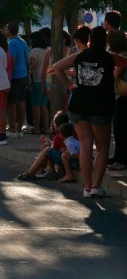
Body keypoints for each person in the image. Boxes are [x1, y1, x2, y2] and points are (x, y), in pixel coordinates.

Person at [53, 26, 127, 197]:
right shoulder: (109, 57)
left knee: (86, 145)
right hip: (100, 107)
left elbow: (57, 67)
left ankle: (86, 187)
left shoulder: (80, 56)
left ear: (89, 40)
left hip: (78, 106)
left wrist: (71, 86)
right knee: (102, 148)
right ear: (105, 41)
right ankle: (96, 186)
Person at [107, 30, 127, 171]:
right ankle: (119, 157)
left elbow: (114, 76)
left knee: (120, 128)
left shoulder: (121, 56)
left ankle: (120, 160)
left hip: (124, 96)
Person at [5, 21, 30, 138]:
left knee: (12, 103)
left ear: (8, 31)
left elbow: (12, 61)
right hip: (24, 75)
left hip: (15, 76)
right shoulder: (23, 42)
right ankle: (20, 129)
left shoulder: (11, 44)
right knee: (22, 103)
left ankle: (12, 128)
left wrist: (9, 76)